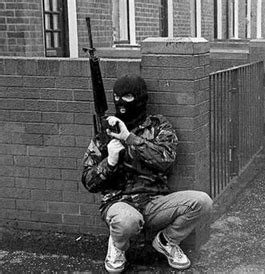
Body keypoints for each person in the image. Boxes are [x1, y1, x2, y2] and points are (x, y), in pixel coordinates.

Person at [81, 75, 213, 272]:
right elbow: (88, 182)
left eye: (127, 97)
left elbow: (165, 161)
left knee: (202, 202)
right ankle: (118, 246)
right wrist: (109, 162)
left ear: (141, 98)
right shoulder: (106, 131)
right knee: (126, 221)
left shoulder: (159, 126)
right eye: (116, 97)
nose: (120, 103)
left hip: (154, 202)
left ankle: (166, 241)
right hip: (118, 203)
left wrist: (129, 138)